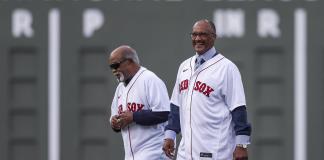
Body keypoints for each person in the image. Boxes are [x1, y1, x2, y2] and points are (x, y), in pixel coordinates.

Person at [163, 19, 252, 160]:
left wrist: (242, 145)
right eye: (194, 34)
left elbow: (238, 108)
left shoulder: (227, 68)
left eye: (203, 34)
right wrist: (170, 135)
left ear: (213, 37)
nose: (198, 38)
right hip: (185, 152)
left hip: (216, 151)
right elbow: (176, 106)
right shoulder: (184, 66)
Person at [108, 45, 171, 160]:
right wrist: (115, 123)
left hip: (154, 153)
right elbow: (115, 119)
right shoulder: (120, 89)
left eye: (116, 65)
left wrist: (134, 116)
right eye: (111, 67)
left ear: (130, 61)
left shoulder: (150, 79)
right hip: (131, 155)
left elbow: (164, 113)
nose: (114, 70)